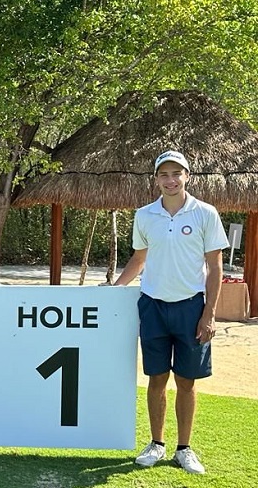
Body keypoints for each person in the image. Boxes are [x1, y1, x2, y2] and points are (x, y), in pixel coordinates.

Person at [113, 150, 228, 475]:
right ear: (156, 178)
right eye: (164, 174)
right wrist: (114, 291)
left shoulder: (205, 213)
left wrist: (209, 313)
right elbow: (139, 260)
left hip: (191, 308)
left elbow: (215, 266)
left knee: (187, 381)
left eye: (177, 173)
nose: (170, 180)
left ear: (187, 176)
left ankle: (183, 449)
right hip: (153, 306)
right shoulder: (145, 215)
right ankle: (156, 443)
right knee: (156, 378)